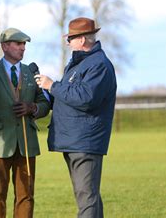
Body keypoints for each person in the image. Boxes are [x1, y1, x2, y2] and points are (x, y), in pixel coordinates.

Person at [35, 17, 117, 218]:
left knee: (86, 197)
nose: (68, 42)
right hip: (74, 140)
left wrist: (52, 86)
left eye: (70, 38)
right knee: (88, 196)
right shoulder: (79, 64)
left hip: (85, 142)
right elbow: (69, 96)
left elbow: (86, 97)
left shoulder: (99, 65)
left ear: (81, 40)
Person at [0, 28, 50, 218]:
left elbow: (44, 103)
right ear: (5, 46)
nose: (23, 48)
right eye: (18, 44)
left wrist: (33, 108)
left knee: (26, 196)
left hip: (27, 144)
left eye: (24, 45)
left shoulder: (30, 72)